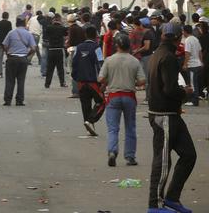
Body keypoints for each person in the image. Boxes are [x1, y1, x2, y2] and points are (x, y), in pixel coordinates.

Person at [147, 23, 196, 213]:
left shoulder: (157, 54)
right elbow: (169, 89)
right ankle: (155, 204)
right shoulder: (167, 57)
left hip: (169, 114)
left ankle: (172, 198)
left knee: (189, 155)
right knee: (162, 161)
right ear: (177, 38)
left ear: (162, 35)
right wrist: (185, 92)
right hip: (164, 115)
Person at [98, 33, 145, 167]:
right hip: (129, 96)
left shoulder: (109, 60)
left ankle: (112, 151)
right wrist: (132, 82)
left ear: (116, 46)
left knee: (113, 129)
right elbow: (142, 80)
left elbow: (100, 79)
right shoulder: (134, 61)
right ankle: (130, 157)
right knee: (130, 127)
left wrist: (109, 81)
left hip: (113, 97)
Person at [72, 26, 104, 136]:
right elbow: (100, 63)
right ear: (96, 35)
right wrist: (102, 80)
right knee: (101, 102)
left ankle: (88, 127)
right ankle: (90, 121)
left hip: (81, 81)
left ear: (85, 35)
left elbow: (74, 63)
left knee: (85, 105)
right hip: (93, 81)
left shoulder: (78, 47)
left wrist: (75, 77)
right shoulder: (97, 48)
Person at [1, 17, 36, 106]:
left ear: (16, 23)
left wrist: (8, 53)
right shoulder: (28, 34)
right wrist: (27, 55)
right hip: (23, 59)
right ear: (24, 24)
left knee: (9, 80)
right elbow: (33, 48)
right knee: (21, 80)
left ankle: (7, 100)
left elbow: (4, 45)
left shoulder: (11, 33)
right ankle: (19, 100)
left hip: (12, 58)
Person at [44, 14, 68, 88]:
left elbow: (45, 38)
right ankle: (62, 83)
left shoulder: (49, 28)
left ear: (53, 19)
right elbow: (66, 35)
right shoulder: (62, 28)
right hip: (59, 49)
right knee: (60, 68)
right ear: (59, 19)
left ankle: (47, 84)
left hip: (51, 49)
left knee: (50, 68)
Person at [182, 25, 203, 106]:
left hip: (192, 65)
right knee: (195, 82)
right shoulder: (195, 39)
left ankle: (194, 101)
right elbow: (200, 51)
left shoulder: (187, 40)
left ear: (186, 31)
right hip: (198, 64)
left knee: (192, 83)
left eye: (183, 31)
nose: (182, 32)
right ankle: (194, 99)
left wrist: (185, 64)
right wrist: (201, 62)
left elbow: (187, 53)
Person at [0, 12, 12, 78]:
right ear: (7, 16)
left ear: (2, 16)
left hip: (0, 43)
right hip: (7, 43)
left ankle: (0, 73)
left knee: (0, 58)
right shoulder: (9, 23)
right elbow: (10, 32)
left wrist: (0, 36)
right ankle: (9, 72)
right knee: (9, 58)